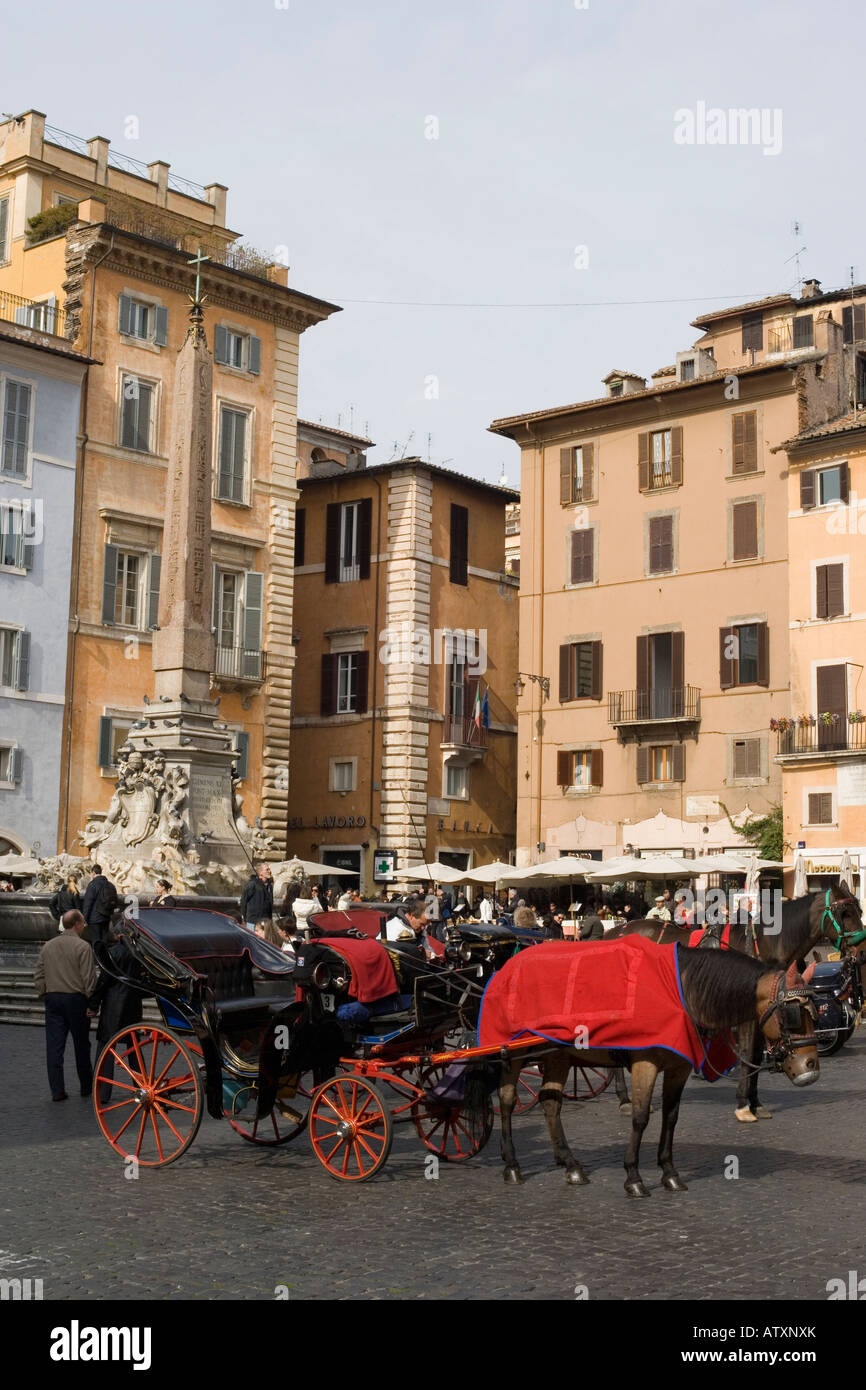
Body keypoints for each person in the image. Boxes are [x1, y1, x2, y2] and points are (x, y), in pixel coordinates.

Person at [34, 909, 98, 1101]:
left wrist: (44, 993)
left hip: (53, 998)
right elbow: (89, 978)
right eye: (83, 923)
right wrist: (92, 1002)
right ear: (76, 924)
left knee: (54, 1046)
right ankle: (86, 1086)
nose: (85, 926)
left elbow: (39, 973)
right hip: (75, 1000)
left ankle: (57, 1090)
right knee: (81, 1045)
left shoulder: (48, 946)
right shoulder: (83, 947)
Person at [87, 927, 143, 1102]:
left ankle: (102, 1092)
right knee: (134, 1049)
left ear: (119, 936)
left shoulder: (113, 953)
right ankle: (141, 1087)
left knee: (106, 1048)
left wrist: (94, 1004)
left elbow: (104, 980)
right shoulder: (139, 954)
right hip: (132, 1004)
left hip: (113, 1005)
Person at [381, 894, 436, 959]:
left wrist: (433, 955)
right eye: (421, 924)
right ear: (412, 916)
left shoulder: (418, 929)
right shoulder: (394, 928)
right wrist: (421, 955)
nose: (423, 928)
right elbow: (394, 955)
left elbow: (426, 947)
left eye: (425, 925)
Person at [81, 864, 120, 945]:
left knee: (96, 940)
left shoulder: (92, 884)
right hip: (106, 916)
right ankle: (104, 956)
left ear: (93, 873)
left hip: (95, 918)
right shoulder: (110, 885)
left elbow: (88, 903)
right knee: (104, 939)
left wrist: (85, 919)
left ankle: (97, 957)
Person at [240, 862, 274, 932]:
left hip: (266, 921)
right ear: (260, 873)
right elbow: (243, 901)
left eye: (269, 869)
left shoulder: (269, 886)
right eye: (267, 870)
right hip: (253, 922)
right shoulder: (252, 884)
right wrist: (245, 918)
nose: (269, 871)